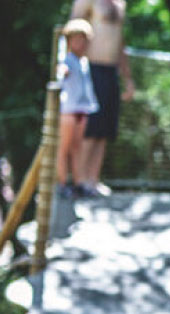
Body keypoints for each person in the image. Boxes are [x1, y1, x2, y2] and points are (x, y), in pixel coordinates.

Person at [70, 0, 135, 197]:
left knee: (104, 129)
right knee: (89, 127)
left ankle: (93, 179)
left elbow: (119, 40)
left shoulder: (120, 3)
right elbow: (71, 32)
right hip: (90, 68)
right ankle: (79, 180)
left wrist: (127, 77)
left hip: (111, 71)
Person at [56, 19, 99, 200]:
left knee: (77, 147)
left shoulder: (84, 62)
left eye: (82, 39)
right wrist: (62, 71)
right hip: (69, 109)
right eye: (75, 39)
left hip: (83, 108)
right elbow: (61, 70)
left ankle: (78, 182)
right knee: (64, 147)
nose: (79, 44)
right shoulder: (67, 60)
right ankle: (62, 183)